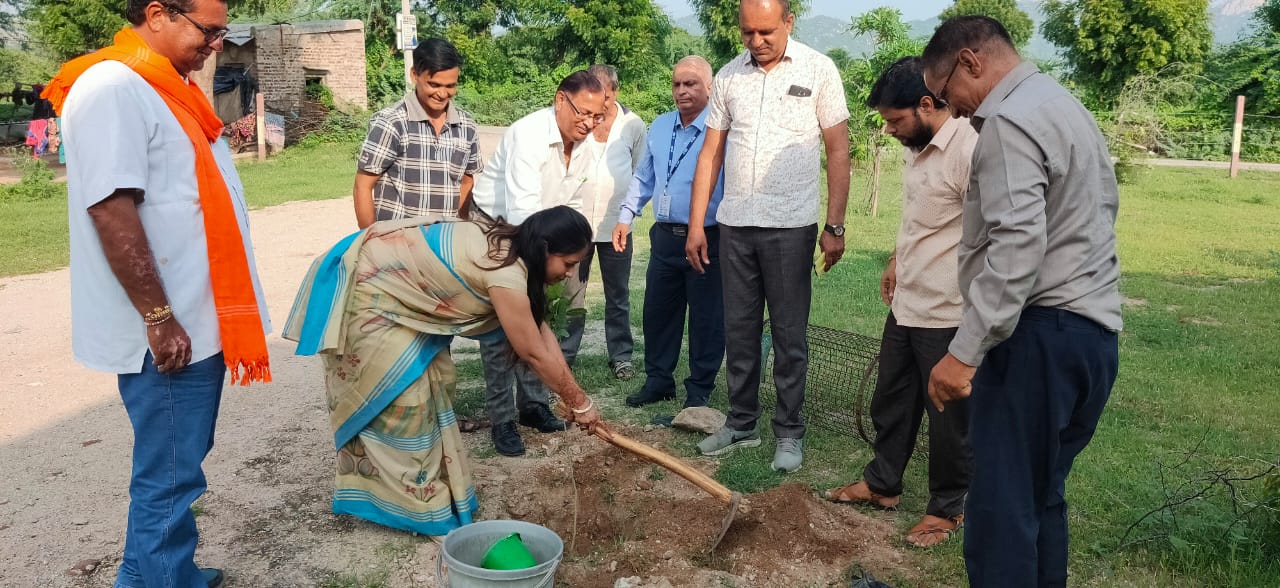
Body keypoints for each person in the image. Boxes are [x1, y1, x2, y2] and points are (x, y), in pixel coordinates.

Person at [44, 1, 272, 586]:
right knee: (169, 472)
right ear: (158, 14)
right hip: (169, 328)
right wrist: (159, 315)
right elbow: (110, 208)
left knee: (175, 463)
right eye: (209, 30)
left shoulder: (168, 89)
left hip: (196, 314)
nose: (217, 44)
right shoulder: (114, 88)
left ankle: (151, 571)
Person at [920, 16, 1122, 586]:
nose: (954, 111)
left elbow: (1016, 246)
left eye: (946, 93)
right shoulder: (1064, 106)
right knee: (1039, 496)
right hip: (1091, 338)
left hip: (1039, 339)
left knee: (1000, 509)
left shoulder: (1009, 121)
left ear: (971, 61)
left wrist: (964, 353)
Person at [283, 206, 602, 538]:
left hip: (397, 294)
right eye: (568, 263)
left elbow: (540, 333)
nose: (570, 273)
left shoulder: (514, 251)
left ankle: (428, 488)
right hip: (367, 292)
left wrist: (580, 401)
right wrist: (579, 402)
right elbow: (534, 352)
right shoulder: (504, 271)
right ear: (545, 247)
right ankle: (412, 507)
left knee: (436, 384)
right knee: (404, 403)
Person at [685, 0, 851, 473]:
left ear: (788, 22)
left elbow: (838, 150)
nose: (756, 42)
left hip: (791, 226)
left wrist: (834, 225)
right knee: (738, 331)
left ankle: (789, 431)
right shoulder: (729, 76)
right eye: (748, 33)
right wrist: (697, 224)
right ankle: (741, 422)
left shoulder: (819, 70)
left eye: (766, 32)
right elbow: (710, 154)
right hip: (736, 224)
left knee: (788, 335)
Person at [821, 56, 977, 548]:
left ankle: (948, 508)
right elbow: (921, 219)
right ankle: (883, 483)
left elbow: (991, 234)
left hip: (949, 310)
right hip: (909, 301)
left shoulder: (970, 149)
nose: (888, 130)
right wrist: (895, 258)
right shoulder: (918, 144)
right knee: (892, 399)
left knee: (948, 417)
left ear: (927, 104)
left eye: (894, 120)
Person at [468, 71, 608, 456]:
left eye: (597, 116)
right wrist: (541, 268)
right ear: (560, 100)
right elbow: (522, 212)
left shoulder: (586, 146)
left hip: (545, 238)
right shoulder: (527, 134)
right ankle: (502, 419)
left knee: (543, 315)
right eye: (583, 113)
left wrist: (571, 250)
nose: (589, 123)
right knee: (503, 327)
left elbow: (572, 204)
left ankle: (533, 405)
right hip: (499, 229)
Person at [612, 55, 726, 414]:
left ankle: (700, 388)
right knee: (658, 312)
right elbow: (644, 176)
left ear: (710, 87)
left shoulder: (721, 128)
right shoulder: (661, 126)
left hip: (708, 238)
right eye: (677, 84)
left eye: (691, 83)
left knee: (707, 317)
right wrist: (626, 216)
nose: (682, 91)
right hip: (664, 237)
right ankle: (659, 380)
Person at [560, 64, 645, 380]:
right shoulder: (578, 120)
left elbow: (640, 174)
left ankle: (621, 356)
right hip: (576, 227)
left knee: (617, 295)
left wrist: (628, 214)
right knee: (571, 294)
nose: (599, 101)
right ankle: (564, 355)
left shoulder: (633, 125)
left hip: (617, 226)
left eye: (605, 95)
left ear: (615, 92)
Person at [354, 38, 482, 226]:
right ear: (414, 75)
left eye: (450, 86)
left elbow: (466, 182)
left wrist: (460, 232)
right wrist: (371, 237)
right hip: (398, 238)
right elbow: (363, 186)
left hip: (444, 238)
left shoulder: (466, 126)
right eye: (434, 85)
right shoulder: (392, 123)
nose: (442, 94)